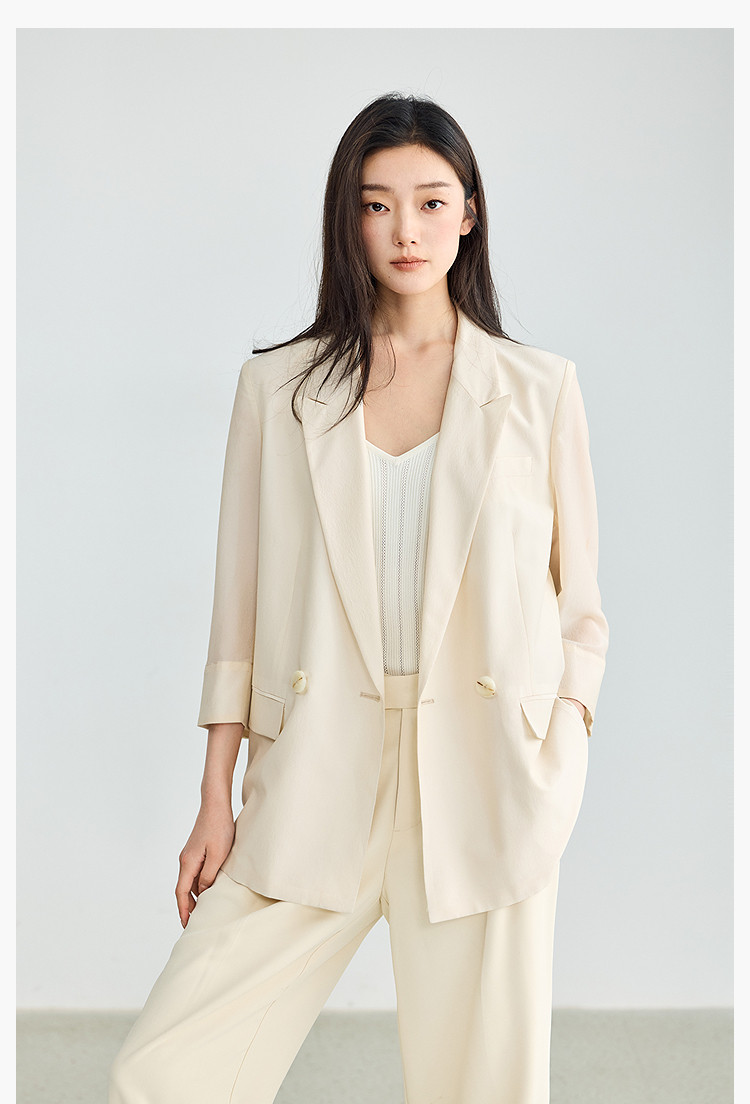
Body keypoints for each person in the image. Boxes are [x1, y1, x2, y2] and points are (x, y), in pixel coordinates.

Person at [108, 91, 609, 1104]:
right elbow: (239, 607)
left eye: (430, 202)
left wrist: (556, 754)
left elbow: (580, 609)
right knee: (160, 1075)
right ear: (349, 218)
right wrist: (214, 796)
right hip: (316, 756)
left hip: (487, 773)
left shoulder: (538, 391)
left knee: (483, 1091)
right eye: (377, 205)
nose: (405, 230)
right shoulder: (278, 390)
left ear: (469, 212)